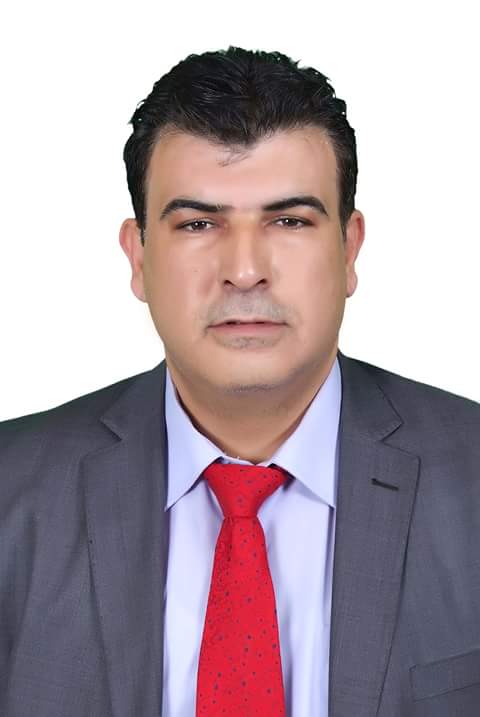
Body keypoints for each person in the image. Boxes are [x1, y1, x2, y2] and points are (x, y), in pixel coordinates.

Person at [0, 45, 479, 717]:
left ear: (349, 249)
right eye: (199, 223)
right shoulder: (13, 491)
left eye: (289, 221)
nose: (246, 269)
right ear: (138, 256)